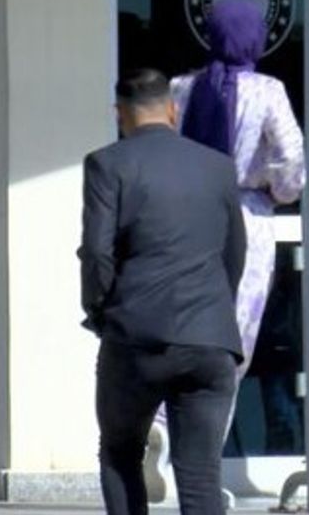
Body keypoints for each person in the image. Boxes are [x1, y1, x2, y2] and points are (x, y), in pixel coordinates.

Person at [149, 0, 306, 500]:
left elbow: (159, 152)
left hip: (183, 220)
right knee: (228, 349)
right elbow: (292, 169)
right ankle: (203, 471)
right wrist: (267, 184)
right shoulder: (267, 91)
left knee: (181, 334)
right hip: (244, 221)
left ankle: (160, 424)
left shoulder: (181, 88)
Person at [79, 68, 246, 515]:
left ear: (120, 115)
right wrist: (214, 311)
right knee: (201, 476)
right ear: (173, 111)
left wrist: (100, 310)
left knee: (120, 452)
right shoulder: (218, 167)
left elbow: (96, 252)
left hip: (136, 336)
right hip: (208, 337)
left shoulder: (107, 164)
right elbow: (235, 252)